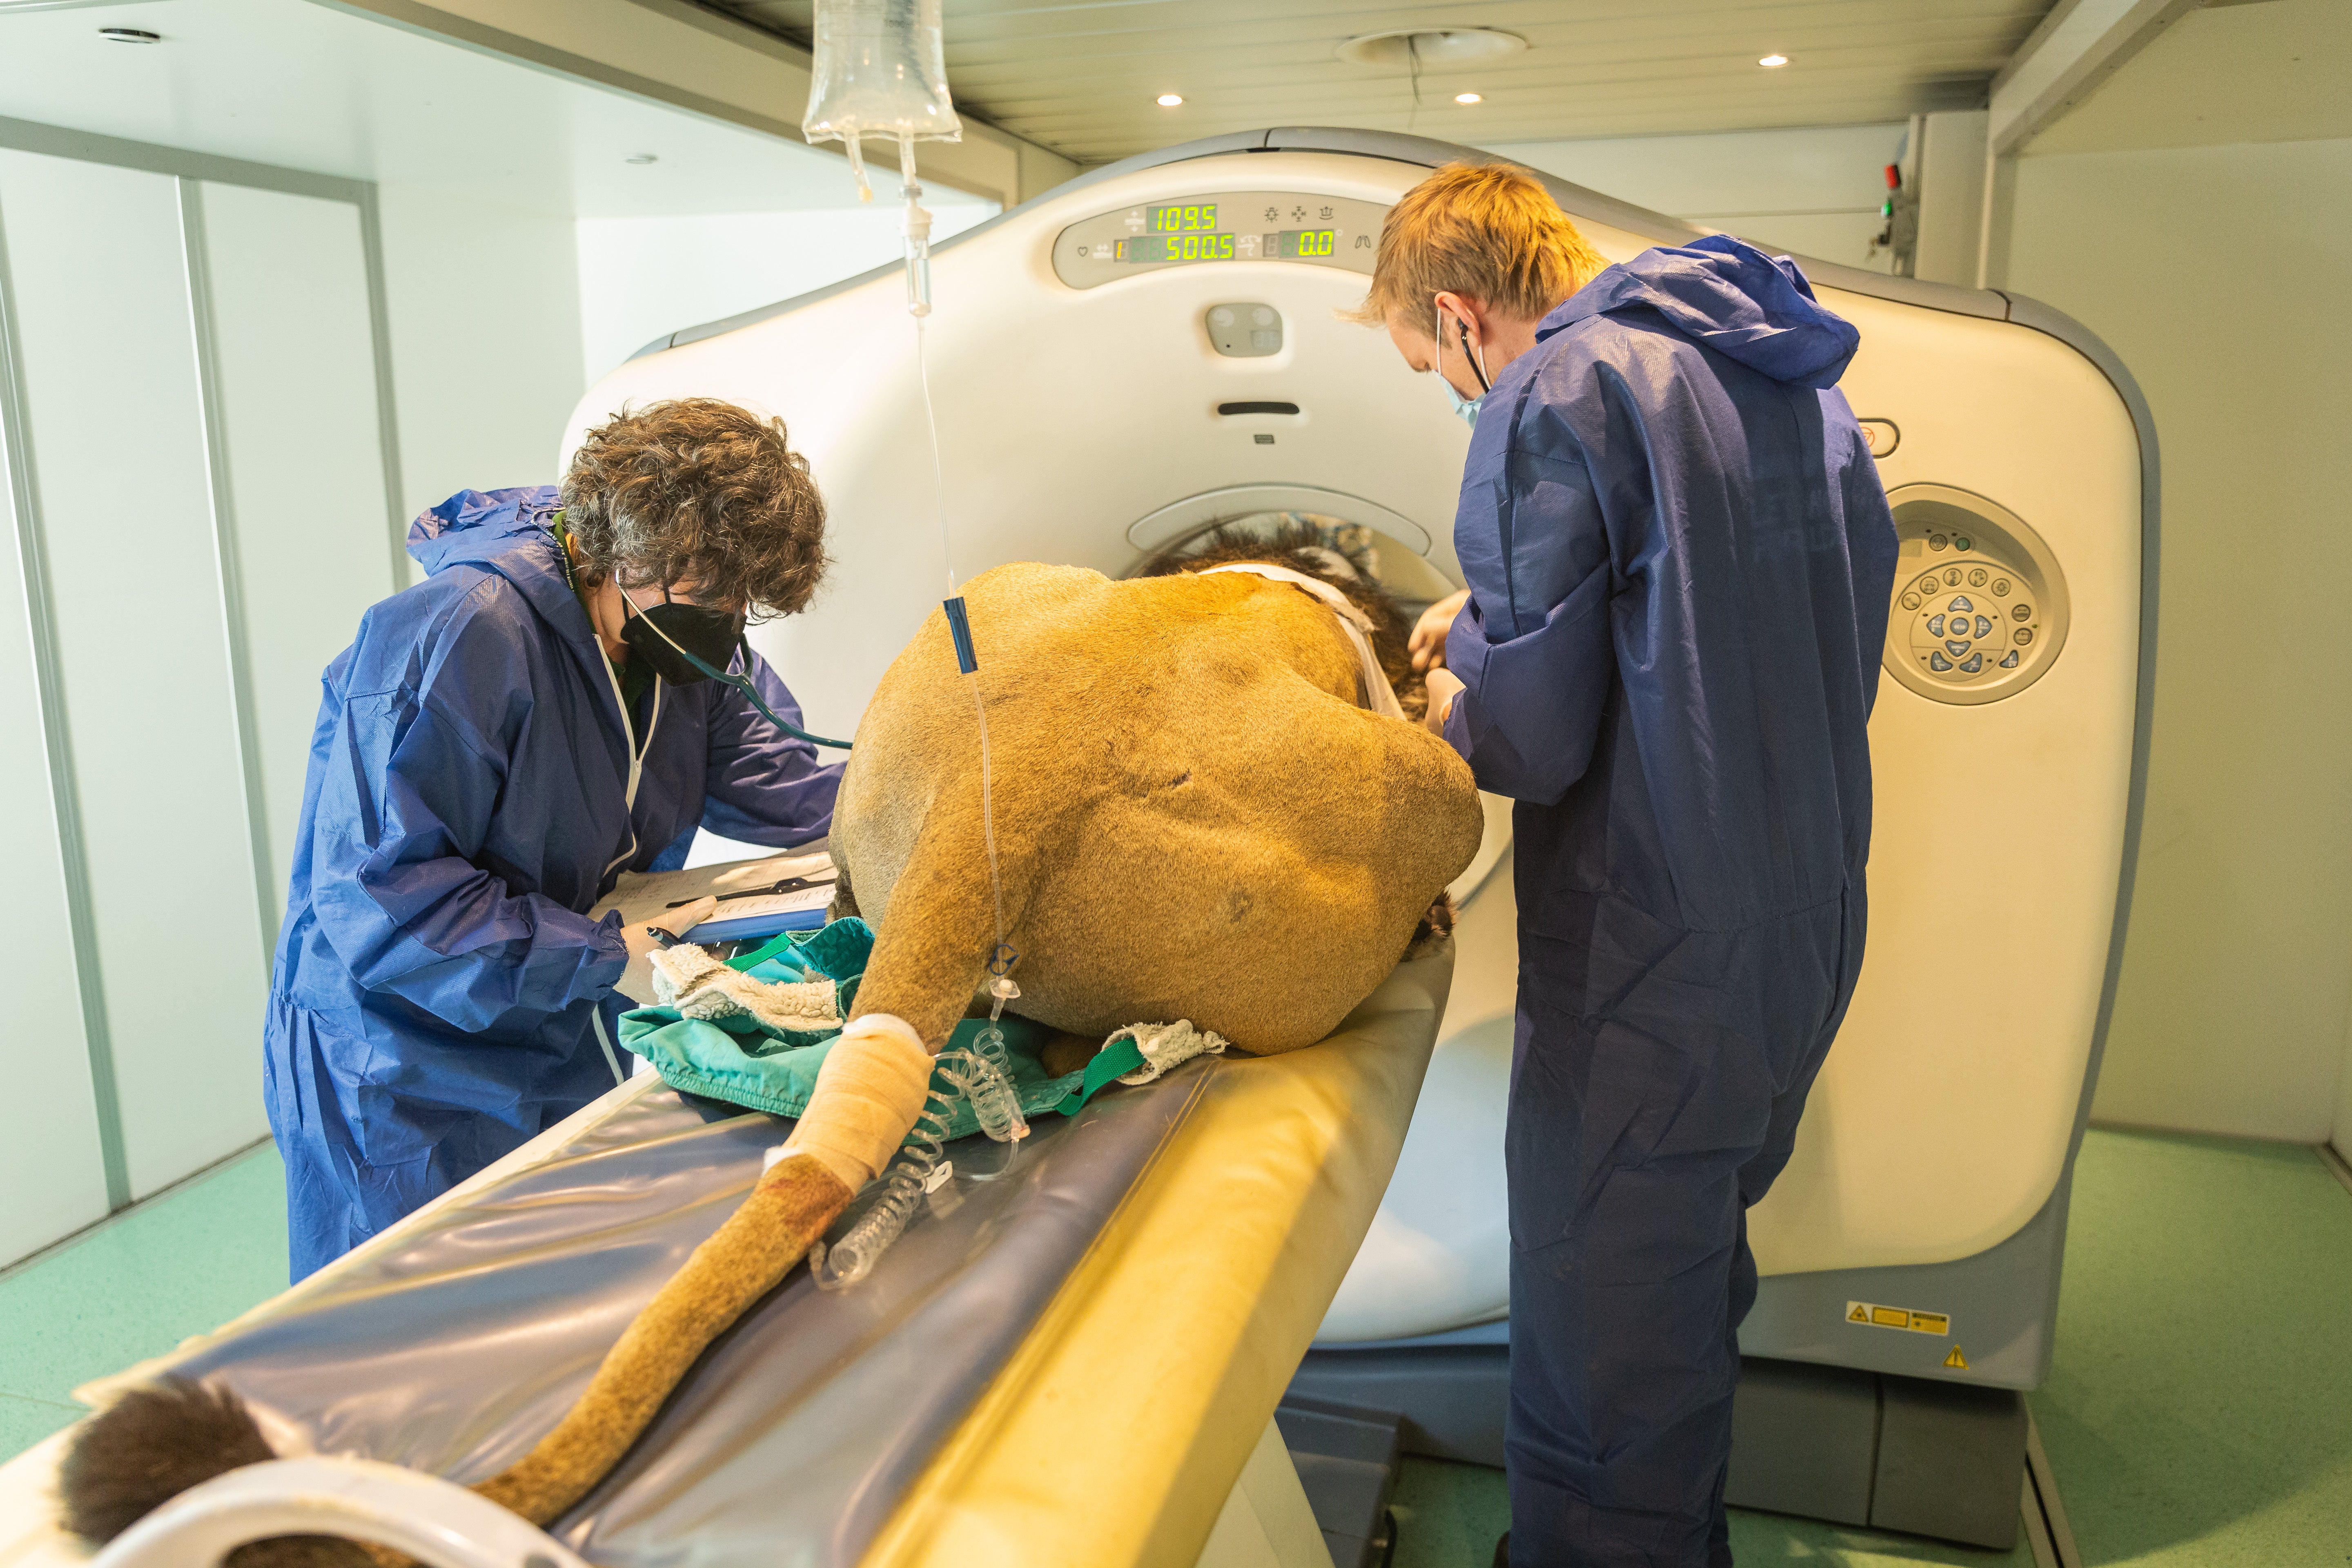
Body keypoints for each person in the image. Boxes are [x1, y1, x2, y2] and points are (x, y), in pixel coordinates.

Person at [1353, 164, 1898, 1564]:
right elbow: (1780, 598)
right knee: (1680, 1274)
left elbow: (1530, 738)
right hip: (1804, 910)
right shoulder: (1785, 373)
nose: (1456, 392)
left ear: (1465, 314)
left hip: (1655, 940)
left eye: (1436, 369)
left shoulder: (1556, 393)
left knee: (1605, 1318)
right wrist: (1524, 598)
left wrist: (1451, 681)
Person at [265, 399, 844, 1282]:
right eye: (707, 596)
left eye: (742, 603)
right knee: (411, 1343)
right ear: (626, 553)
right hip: (400, 1065)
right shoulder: (461, 635)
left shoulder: (681, 651)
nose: (726, 621)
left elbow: (796, 784)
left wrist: (921, 801)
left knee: (560, 1309)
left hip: (551, 1022)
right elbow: (384, 897)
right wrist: (609, 956)